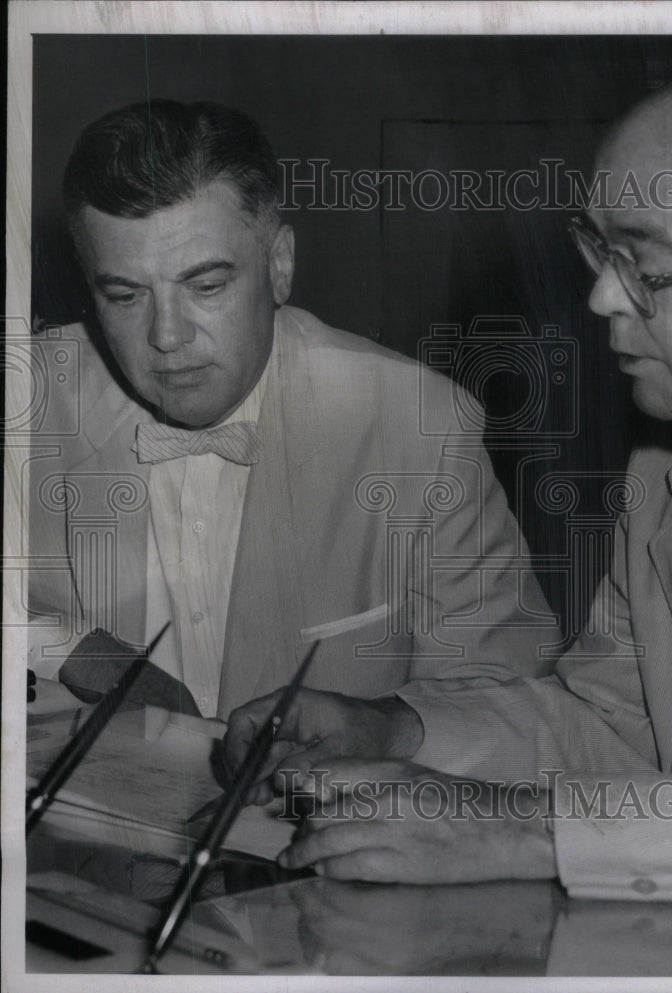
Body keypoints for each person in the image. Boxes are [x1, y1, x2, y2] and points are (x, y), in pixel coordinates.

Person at [225, 48, 672, 908]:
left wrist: (526, 828)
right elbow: (613, 721)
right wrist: (402, 728)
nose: (599, 303)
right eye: (597, 251)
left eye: (643, 266)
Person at [27, 99, 560, 720]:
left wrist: (382, 729)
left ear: (280, 266)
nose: (167, 337)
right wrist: (62, 646)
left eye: (206, 287)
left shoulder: (420, 426)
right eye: (125, 295)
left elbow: (505, 697)